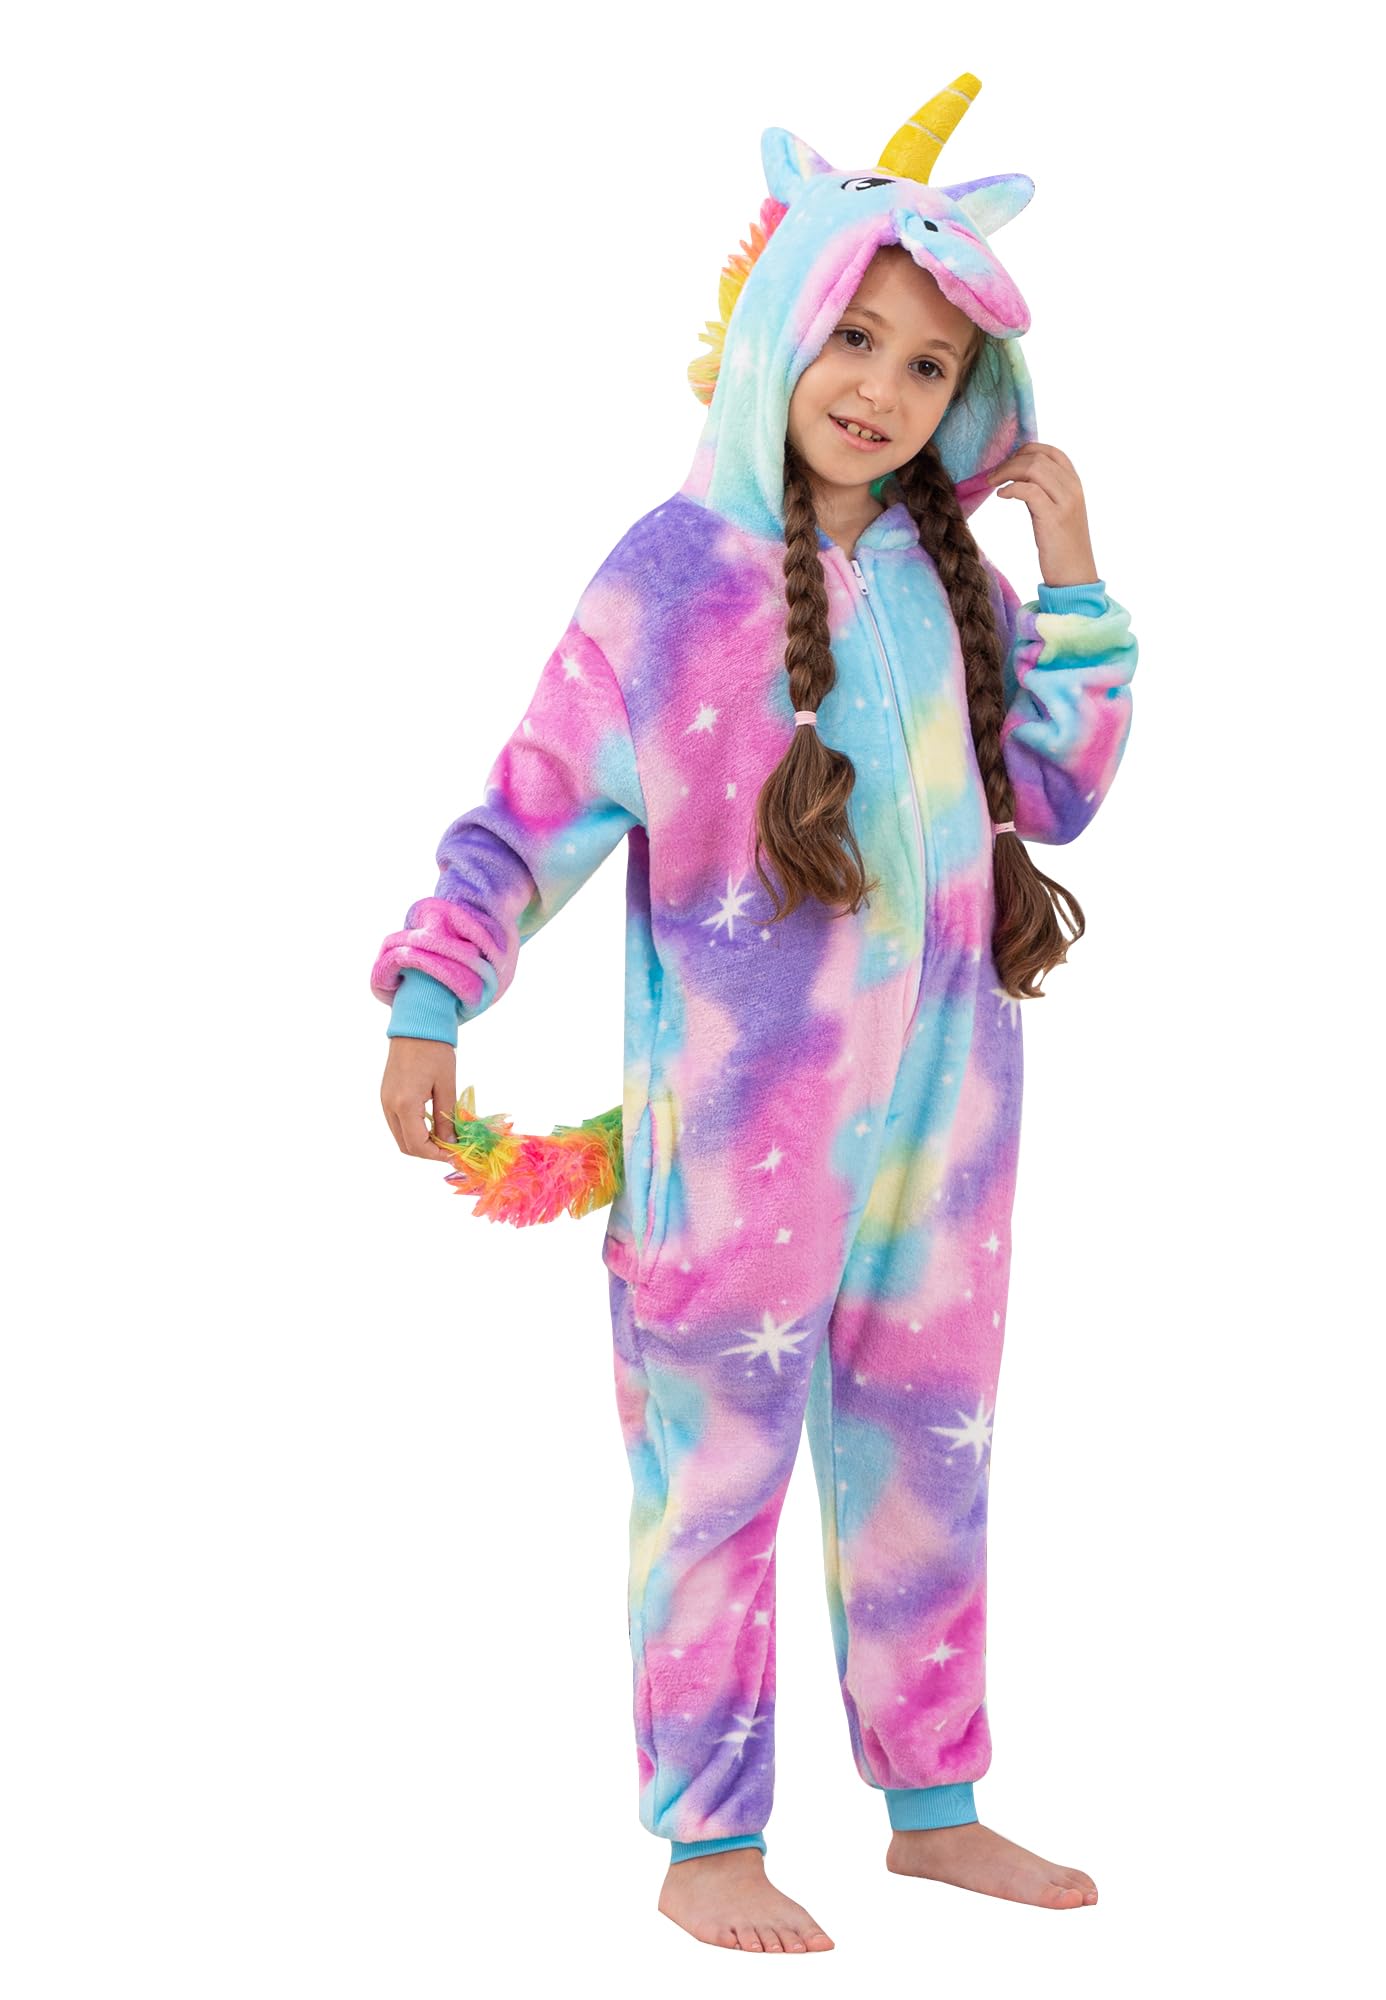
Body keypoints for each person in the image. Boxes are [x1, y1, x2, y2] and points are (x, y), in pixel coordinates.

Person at [372, 72, 1137, 1954]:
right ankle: (708, 1838)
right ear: (781, 326)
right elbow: (529, 810)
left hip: (950, 1113)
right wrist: (434, 995)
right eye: (856, 339)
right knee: (711, 1475)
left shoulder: (947, 579)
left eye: (931, 366)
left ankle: (933, 1806)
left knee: (932, 1446)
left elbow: (1061, 790)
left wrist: (1075, 573)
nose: (883, 389)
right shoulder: (671, 577)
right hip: (732, 1141)